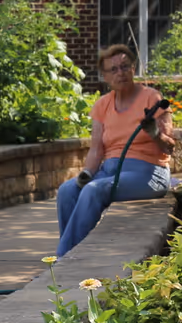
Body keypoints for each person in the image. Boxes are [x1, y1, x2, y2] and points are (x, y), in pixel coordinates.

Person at [55, 43, 175, 258]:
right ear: (105, 76)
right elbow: (96, 150)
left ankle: (63, 259)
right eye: (114, 69)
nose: (120, 73)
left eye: (125, 67)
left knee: (94, 190)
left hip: (149, 173)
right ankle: (74, 255)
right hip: (110, 170)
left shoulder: (152, 98)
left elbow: (170, 146)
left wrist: (154, 132)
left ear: (133, 68)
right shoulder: (102, 105)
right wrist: (87, 174)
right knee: (67, 191)